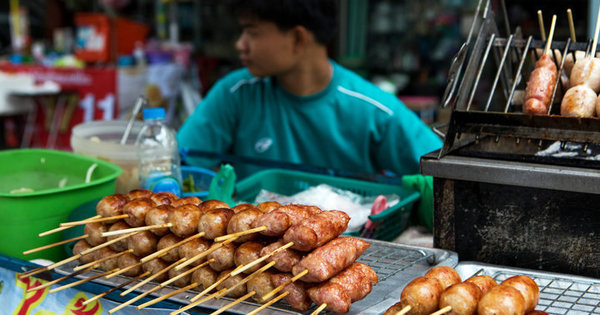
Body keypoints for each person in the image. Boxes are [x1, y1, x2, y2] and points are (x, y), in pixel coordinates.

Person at [177, 0, 442, 229]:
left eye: (252, 33)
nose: (240, 44)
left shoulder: (374, 110)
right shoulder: (235, 94)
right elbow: (176, 164)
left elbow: (444, 177)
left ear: (297, 38)